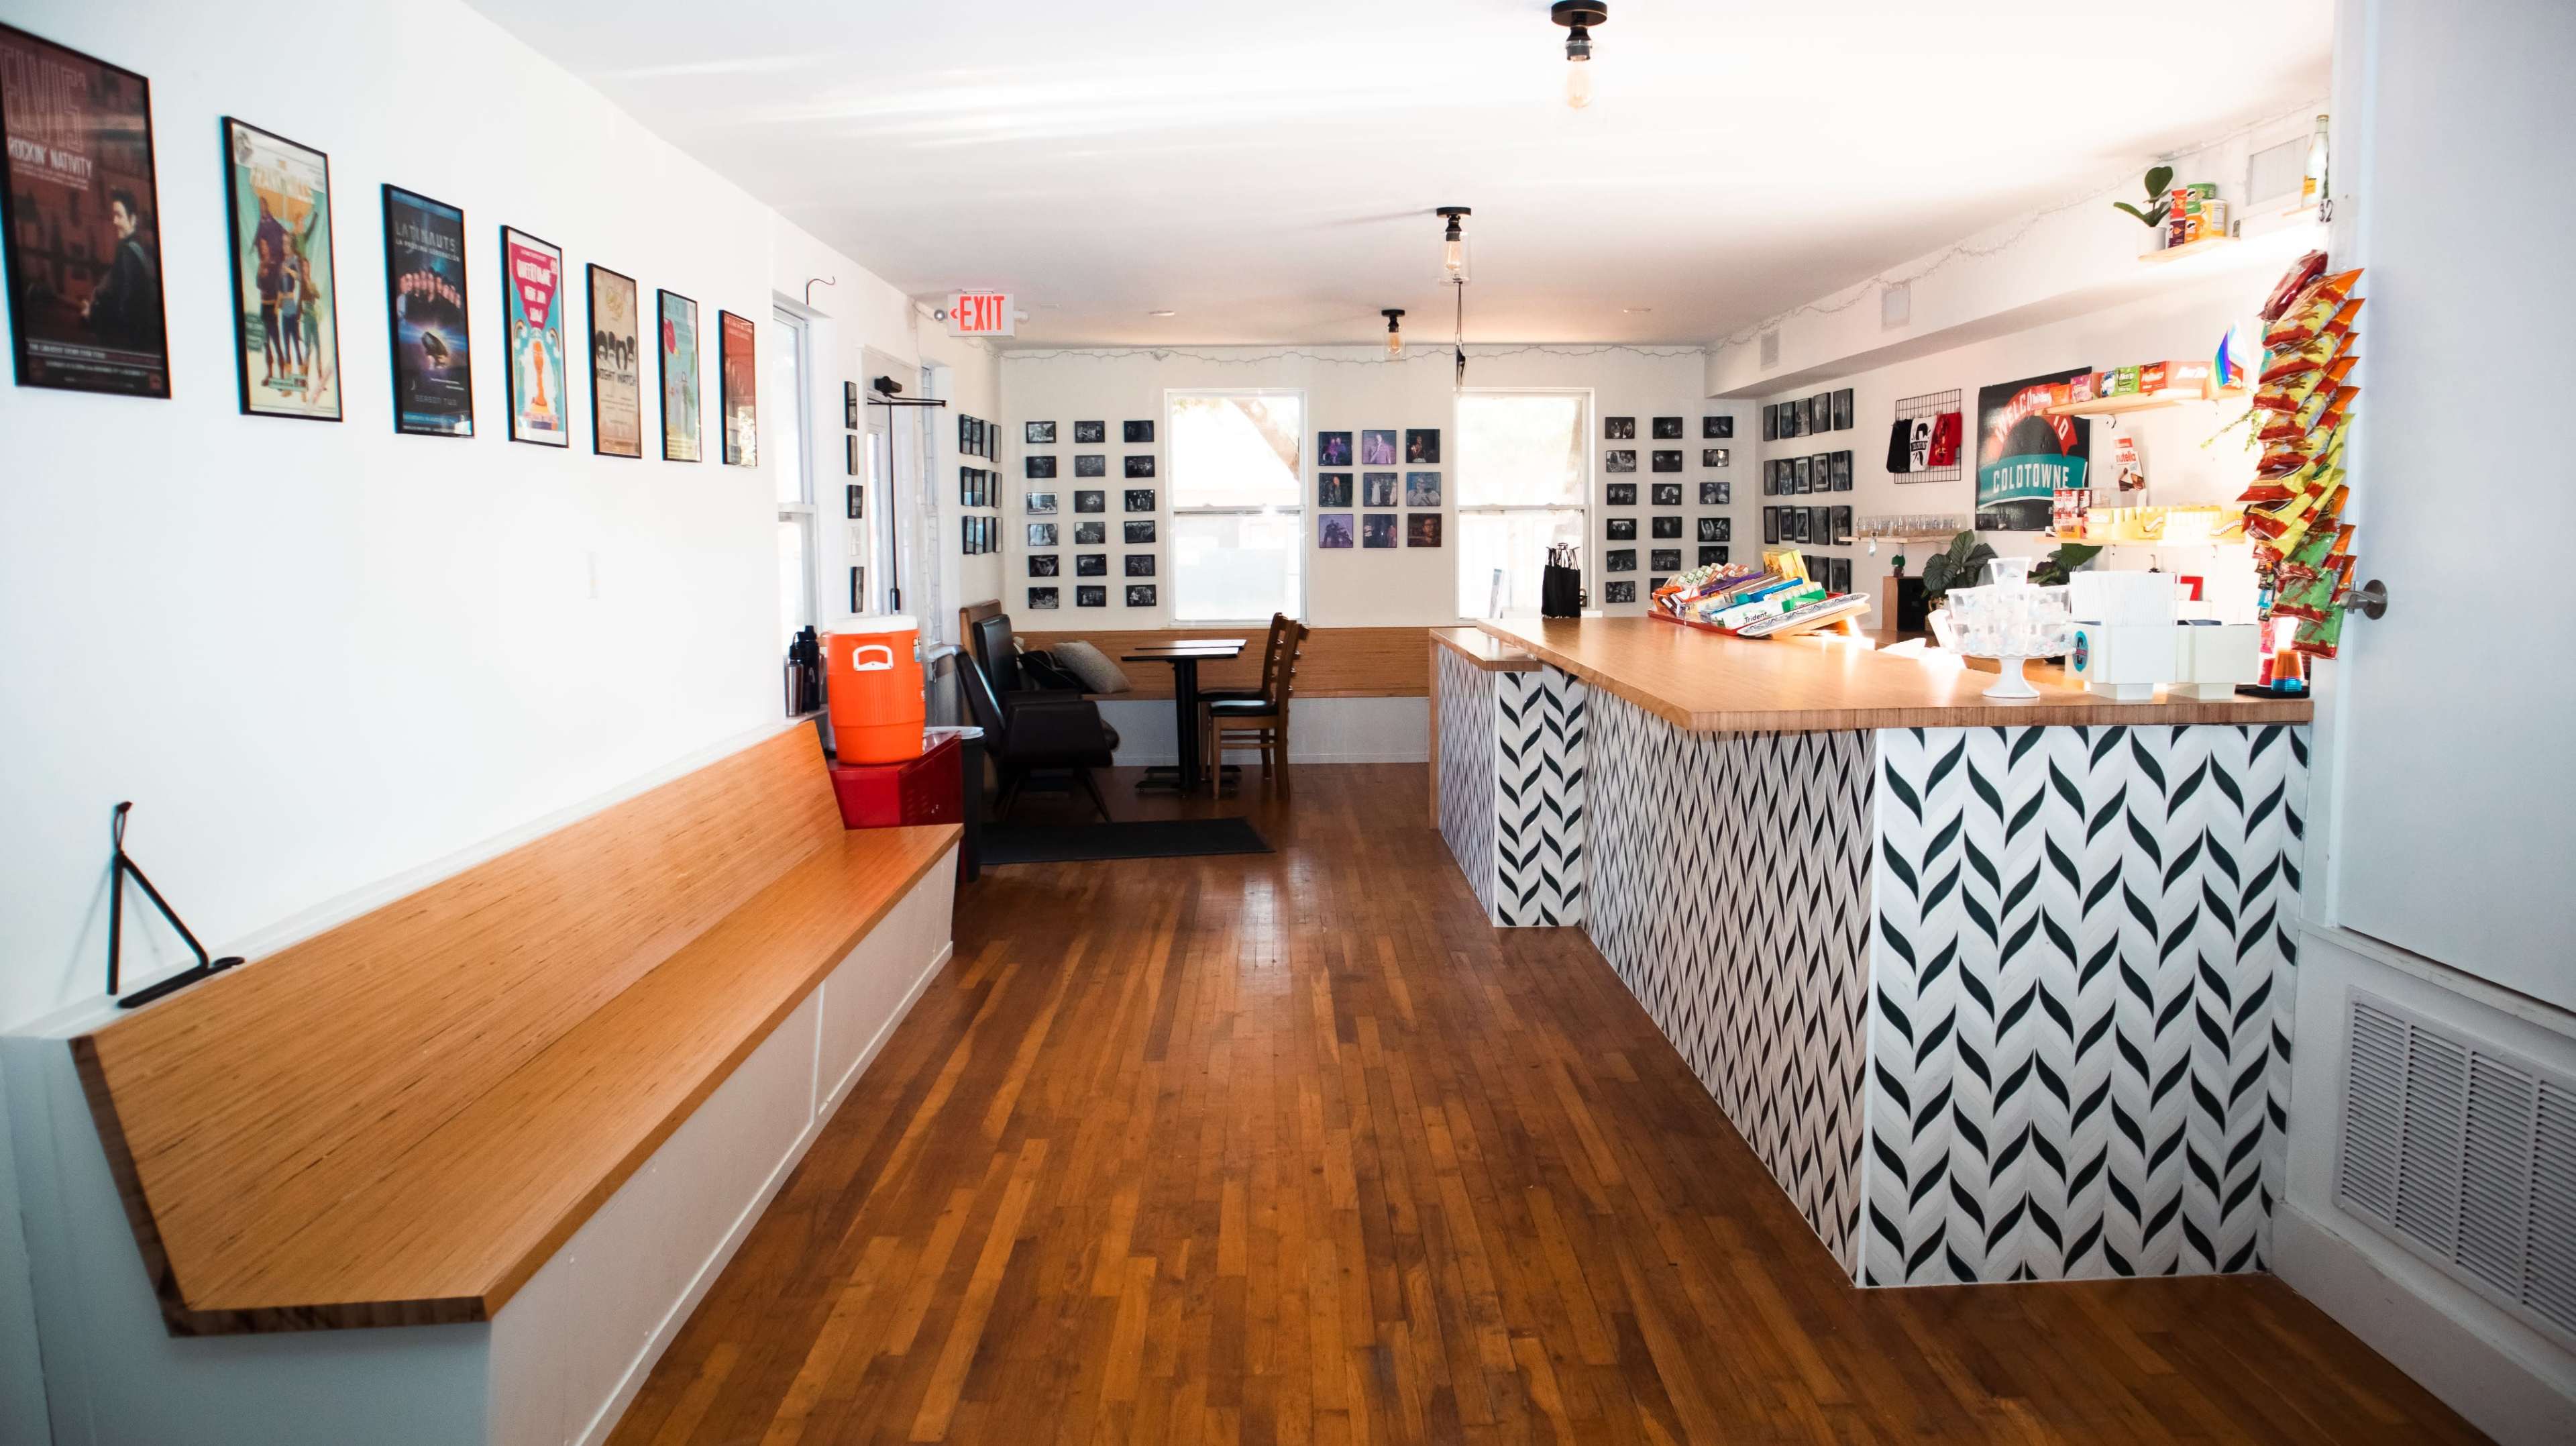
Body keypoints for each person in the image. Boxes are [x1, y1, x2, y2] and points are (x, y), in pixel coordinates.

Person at [83, 190, 164, 353]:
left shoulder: (127, 252)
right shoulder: (138, 248)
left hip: (128, 344)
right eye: (114, 215)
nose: (115, 221)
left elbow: (124, 305)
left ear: (132, 219)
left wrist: (93, 314)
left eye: (119, 216)